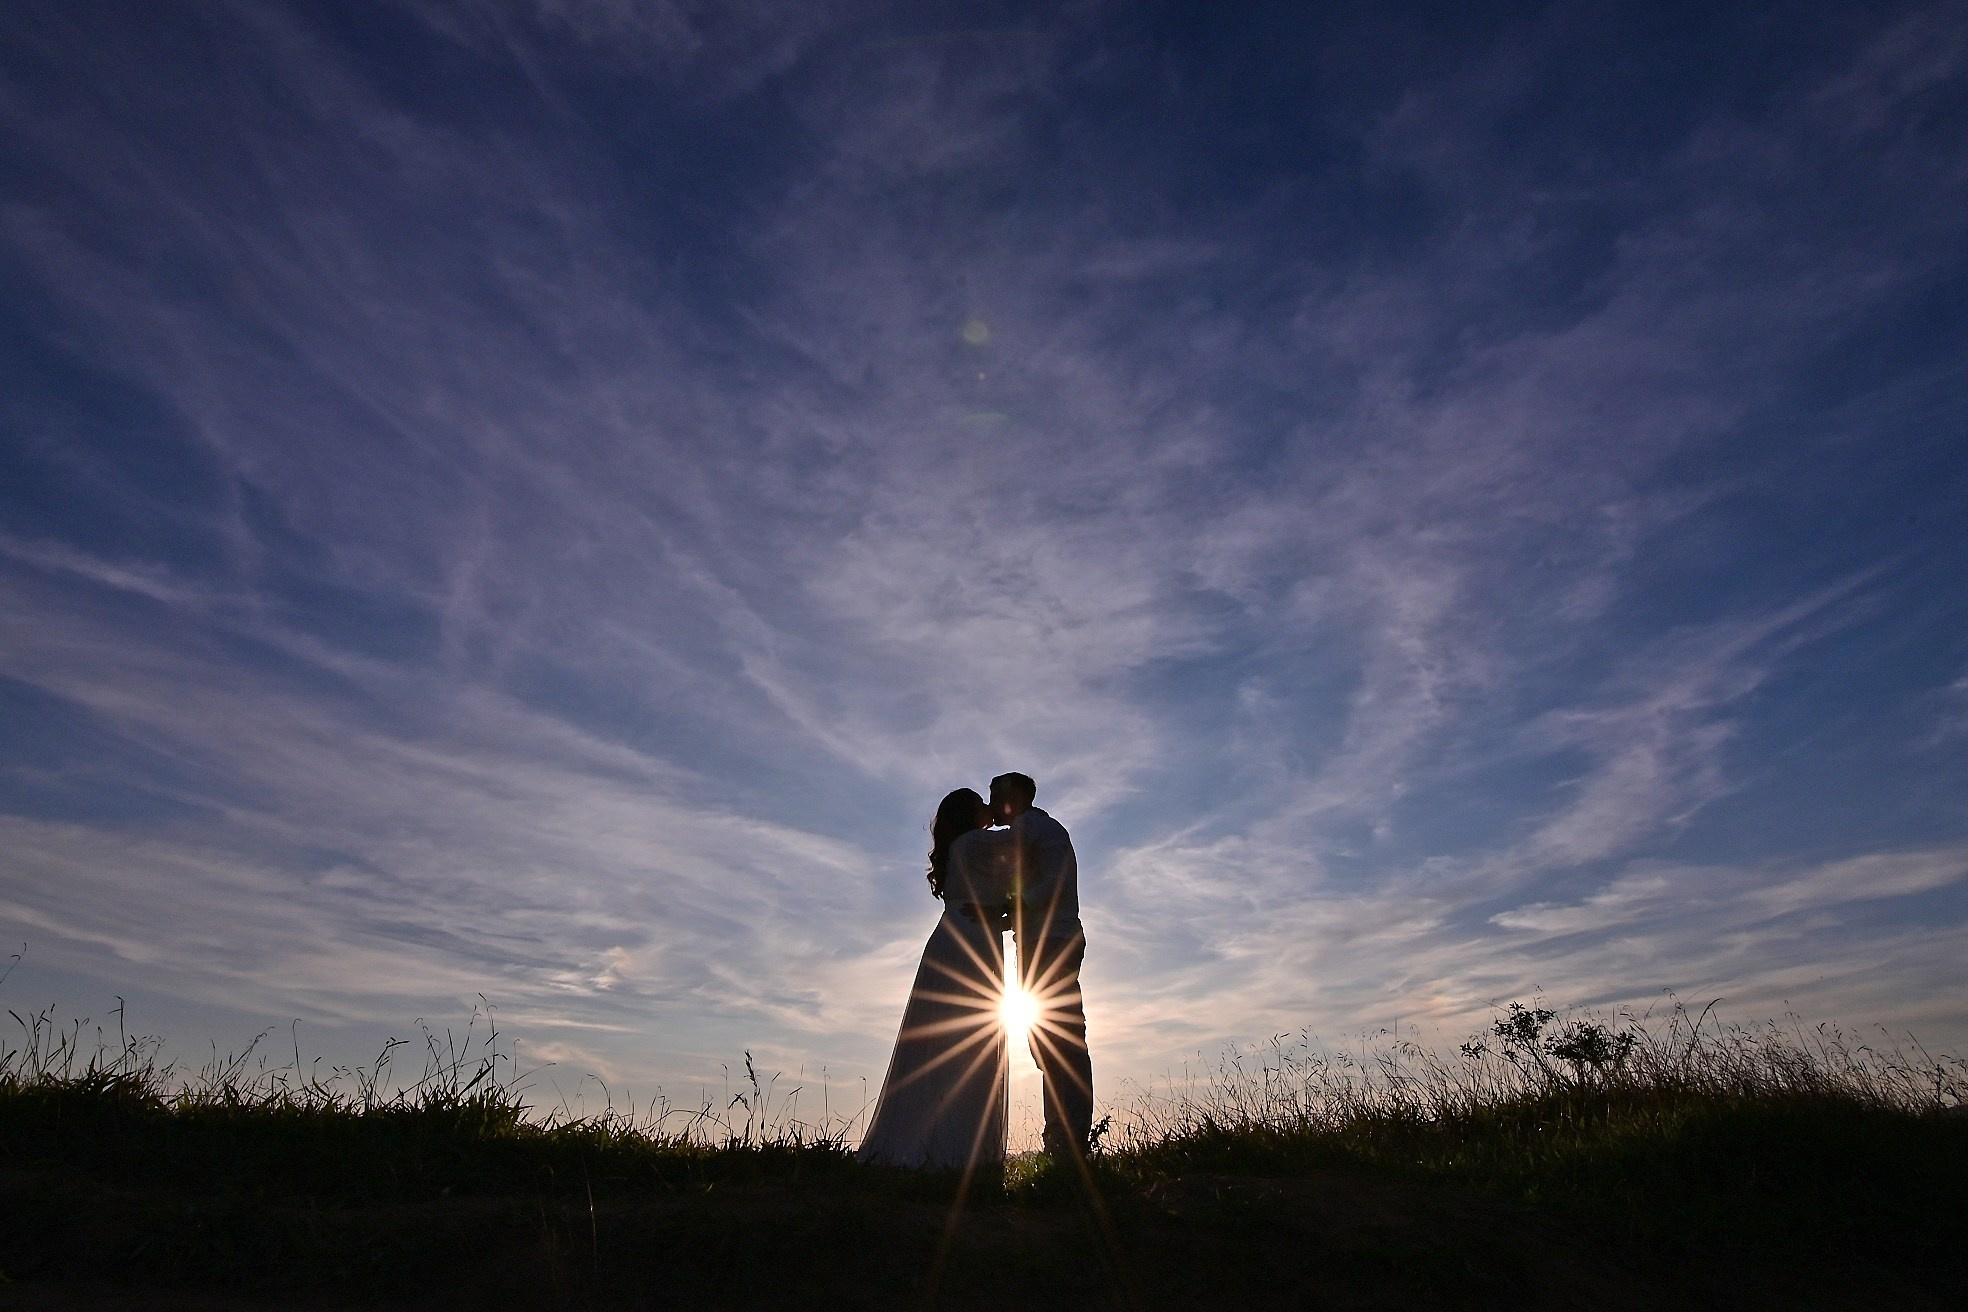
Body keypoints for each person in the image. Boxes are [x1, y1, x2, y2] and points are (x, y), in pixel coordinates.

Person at [856, 788, 1016, 1171]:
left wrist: (1007, 910)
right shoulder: (975, 842)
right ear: (969, 814)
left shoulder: (962, 847)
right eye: (982, 804)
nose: (989, 809)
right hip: (969, 945)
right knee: (966, 1042)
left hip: (962, 939)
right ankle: (954, 1151)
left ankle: (945, 1145)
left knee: (950, 1042)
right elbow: (1023, 841)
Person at [991, 771, 1094, 1161]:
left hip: (1051, 941)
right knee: (1046, 1040)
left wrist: (1001, 909)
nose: (990, 805)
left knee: (1060, 1039)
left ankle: (1069, 1142)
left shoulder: (1034, 830)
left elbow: (1047, 889)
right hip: (1044, 940)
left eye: (994, 796)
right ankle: (1063, 1139)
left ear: (1014, 796)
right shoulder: (1037, 830)